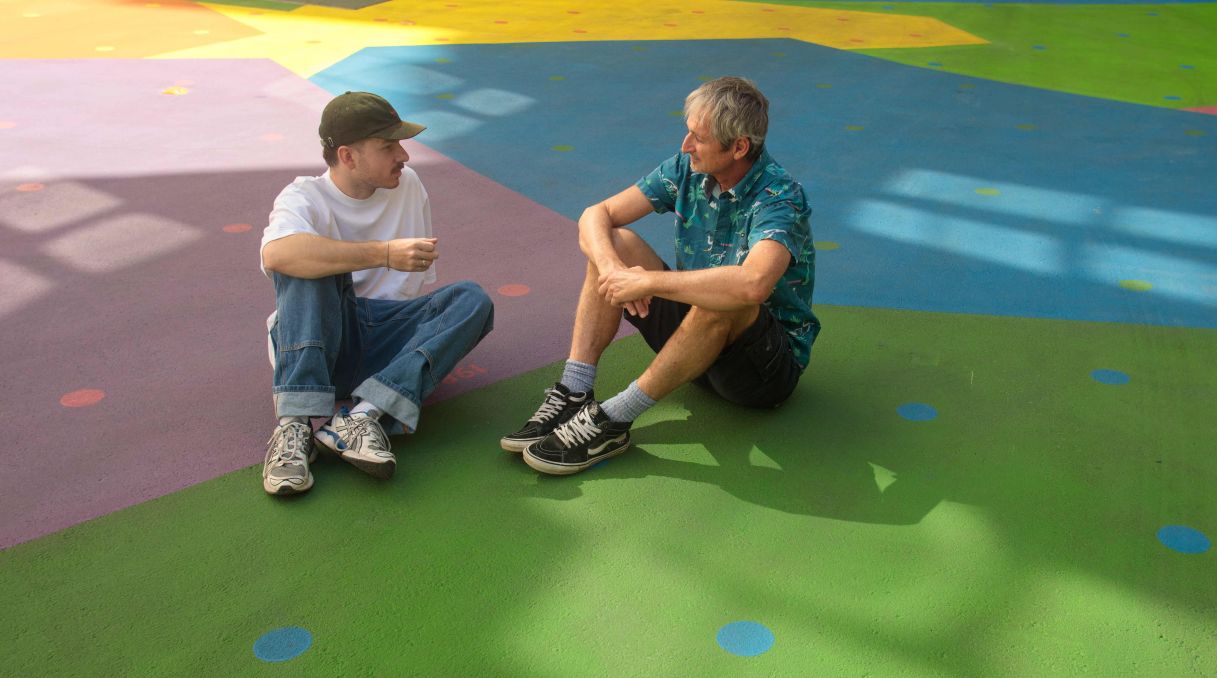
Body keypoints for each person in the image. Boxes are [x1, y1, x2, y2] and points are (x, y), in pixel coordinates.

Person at [501, 76, 819, 475]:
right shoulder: (686, 169)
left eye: (698, 138)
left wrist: (648, 282)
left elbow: (753, 283)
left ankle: (614, 420)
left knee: (728, 295)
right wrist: (614, 270)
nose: (686, 145)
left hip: (764, 372)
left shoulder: (779, 197)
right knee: (613, 242)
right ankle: (575, 389)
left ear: (739, 147)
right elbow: (594, 215)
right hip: (695, 347)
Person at [260, 91, 494, 495]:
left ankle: (361, 418)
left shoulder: (408, 186)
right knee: (306, 260)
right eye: (388, 147)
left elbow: (408, 296)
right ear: (348, 156)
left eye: (400, 143)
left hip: (383, 336)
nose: (403, 155)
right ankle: (294, 425)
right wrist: (383, 255)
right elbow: (277, 253)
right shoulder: (303, 197)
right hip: (321, 341)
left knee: (472, 299)